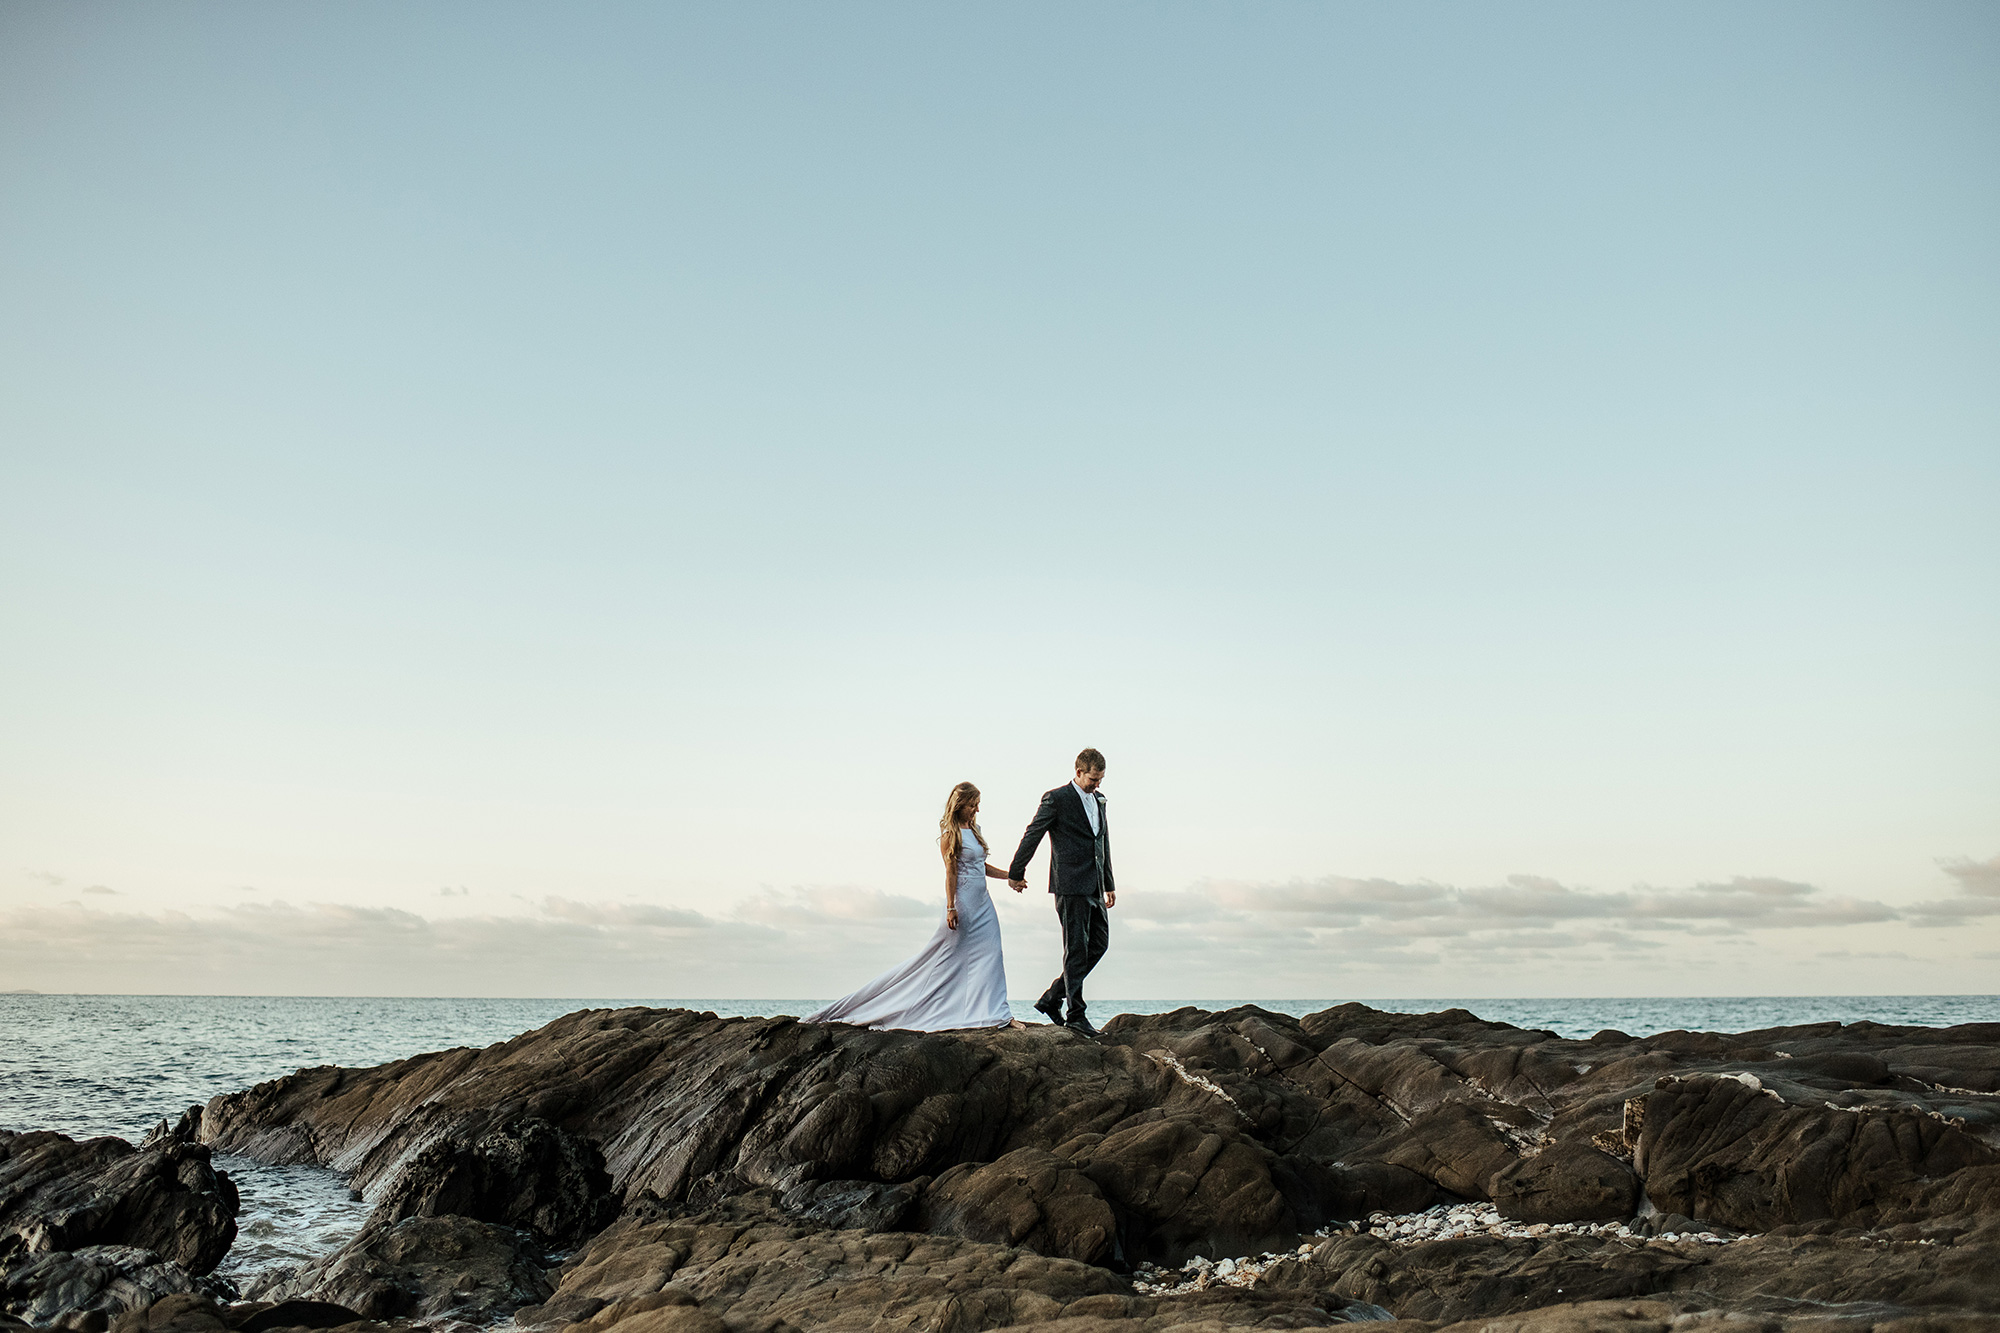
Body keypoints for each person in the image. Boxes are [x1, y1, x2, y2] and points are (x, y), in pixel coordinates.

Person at [803, 781, 1028, 1032]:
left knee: (992, 954)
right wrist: (951, 907)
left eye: (978, 805)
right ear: (960, 805)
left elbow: (980, 867)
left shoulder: (974, 831)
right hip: (962, 903)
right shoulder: (949, 836)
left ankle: (997, 1013)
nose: (977, 810)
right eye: (973, 805)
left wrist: (1010, 877)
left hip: (983, 904)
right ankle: (900, 1005)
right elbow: (951, 873)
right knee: (938, 961)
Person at [1008, 748, 1115, 1035]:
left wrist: (1109, 883)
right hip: (1069, 884)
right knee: (1076, 949)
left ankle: (1052, 998)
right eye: (1093, 779)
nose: (1097, 785)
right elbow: (1033, 833)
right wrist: (1016, 872)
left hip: (1095, 885)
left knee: (1099, 944)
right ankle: (1076, 1015)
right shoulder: (1057, 798)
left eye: (1101, 780)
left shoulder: (1099, 800)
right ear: (1079, 771)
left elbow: (1102, 842)